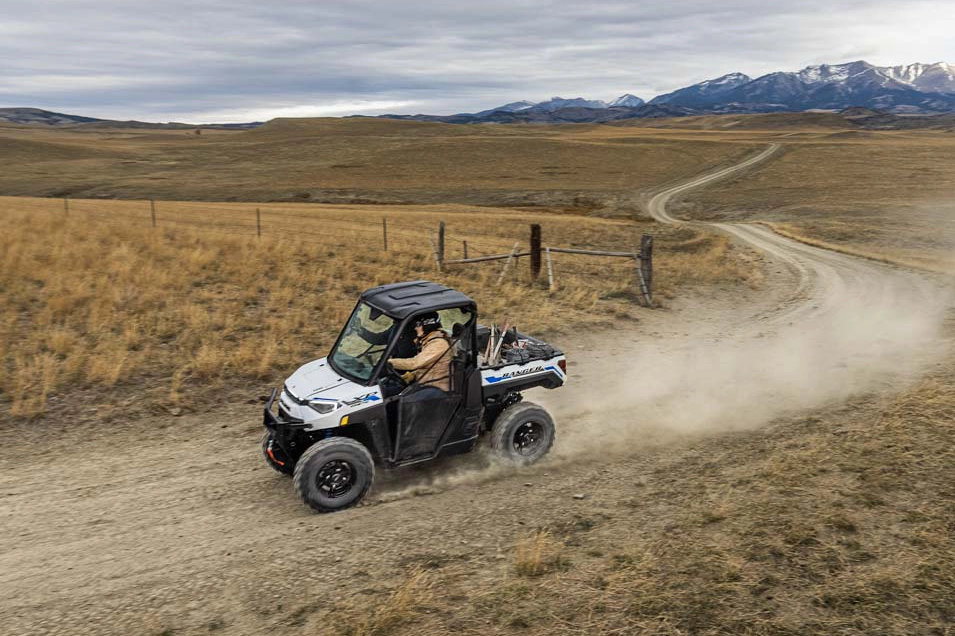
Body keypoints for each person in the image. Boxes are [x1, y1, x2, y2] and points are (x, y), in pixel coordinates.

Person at [387, 312, 452, 396]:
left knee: (401, 401)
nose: (415, 328)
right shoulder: (428, 341)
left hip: (436, 389)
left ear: (427, 325)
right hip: (426, 385)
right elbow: (429, 367)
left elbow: (415, 363)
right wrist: (412, 375)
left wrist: (390, 362)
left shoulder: (438, 344)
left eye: (418, 325)